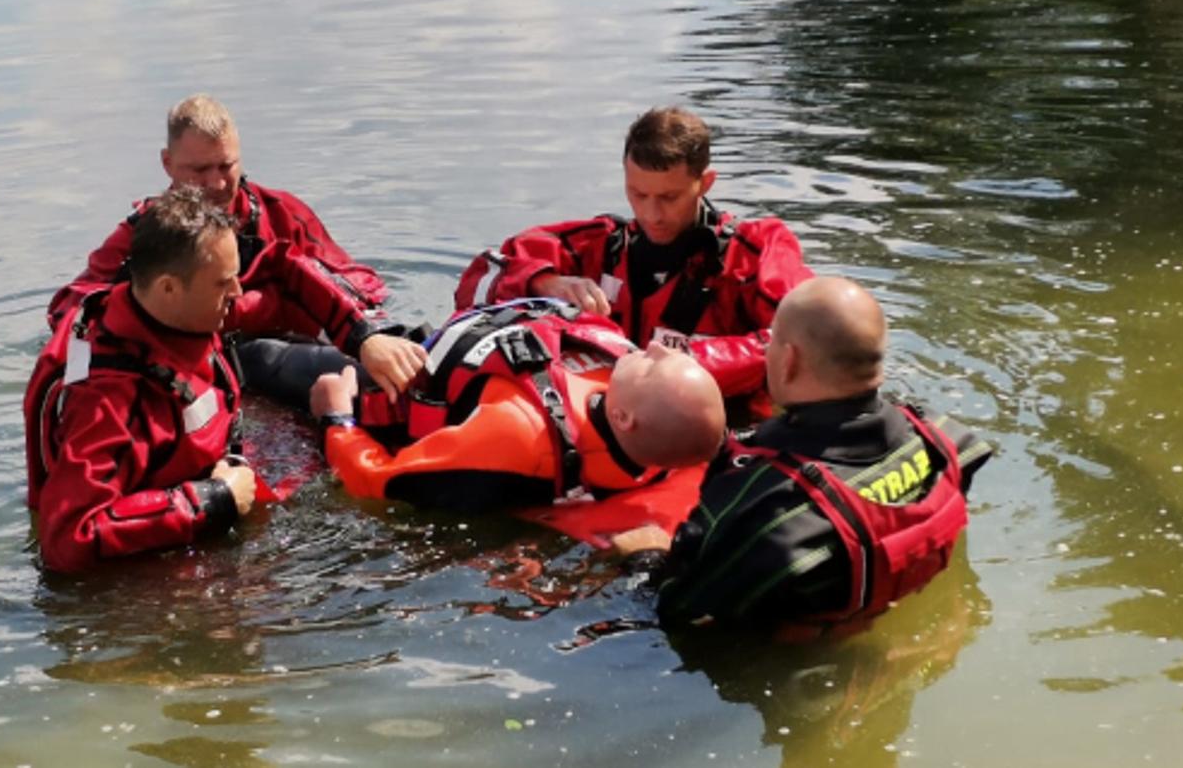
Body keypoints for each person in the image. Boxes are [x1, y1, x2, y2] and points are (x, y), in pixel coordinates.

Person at [612, 277, 994, 630]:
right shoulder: (948, 441)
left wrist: (647, 559)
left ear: (788, 359)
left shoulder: (766, 510)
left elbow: (681, 614)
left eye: (772, 340)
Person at [49, 94, 427, 401]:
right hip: (215, 362)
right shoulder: (148, 236)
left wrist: (367, 335)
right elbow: (70, 311)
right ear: (167, 164)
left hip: (306, 341)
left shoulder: (280, 215)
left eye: (225, 166)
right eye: (199, 171)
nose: (215, 184)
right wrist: (252, 308)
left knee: (416, 346)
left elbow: (358, 284)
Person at [453, 106, 814, 419]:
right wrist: (545, 284)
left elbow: (803, 339)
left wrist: (674, 366)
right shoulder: (598, 244)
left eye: (669, 197)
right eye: (638, 194)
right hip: (614, 426)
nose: (651, 214)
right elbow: (475, 284)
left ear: (705, 183)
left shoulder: (756, 250)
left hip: (721, 427)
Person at [24, 186, 262, 574]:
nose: (237, 292)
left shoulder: (180, 318)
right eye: (223, 283)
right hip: (138, 579)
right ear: (168, 288)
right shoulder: (105, 399)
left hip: (199, 494)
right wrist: (211, 500)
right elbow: (67, 541)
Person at [307, 300, 728, 513]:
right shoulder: (647, 403)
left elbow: (376, 483)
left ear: (622, 417)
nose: (653, 346)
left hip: (390, 383)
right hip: (435, 340)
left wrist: (336, 417)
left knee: (263, 358)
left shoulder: (516, 437)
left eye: (654, 364)